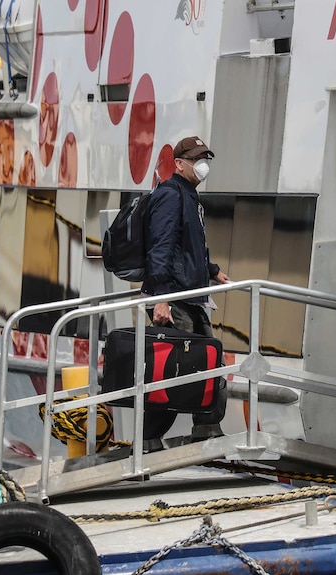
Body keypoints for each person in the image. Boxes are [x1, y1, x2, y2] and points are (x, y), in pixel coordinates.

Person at [141, 136, 231, 445]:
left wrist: (212, 270)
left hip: (191, 297)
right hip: (175, 298)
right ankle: (150, 439)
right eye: (196, 159)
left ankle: (206, 429)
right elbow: (160, 248)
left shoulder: (188, 196)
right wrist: (161, 300)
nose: (203, 165)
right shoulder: (170, 196)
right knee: (173, 368)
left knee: (208, 361)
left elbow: (190, 247)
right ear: (179, 164)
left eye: (205, 158)